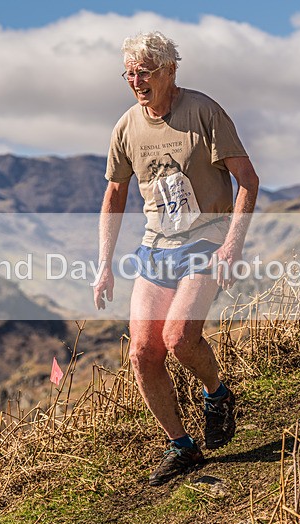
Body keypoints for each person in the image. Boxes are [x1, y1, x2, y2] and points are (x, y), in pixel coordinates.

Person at [93, 31, 259, 486]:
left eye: (143, 72)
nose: (135, 81)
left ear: (169, 70)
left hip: (206, 243)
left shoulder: (203, 112)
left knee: (180, 340)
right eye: (129, 73)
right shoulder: (126, 127)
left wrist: (233, 245)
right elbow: (114, 195)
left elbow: (248, 179)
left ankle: (217, 394)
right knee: (143, 354)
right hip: (155, 249)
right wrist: (105, 263)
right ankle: (182, 446)